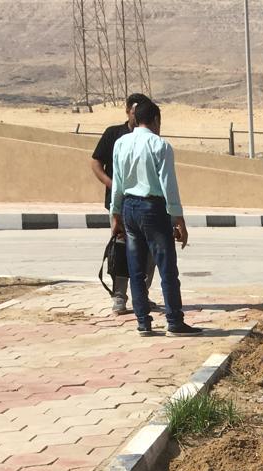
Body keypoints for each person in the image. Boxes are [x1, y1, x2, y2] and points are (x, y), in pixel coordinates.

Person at [110, 99, 202, 337]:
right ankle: (174, 321)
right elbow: (169, 185)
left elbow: (117, 183)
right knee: (166, 267)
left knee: (136, 269)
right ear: (155, 120)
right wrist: (178, 219)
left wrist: (115, 213)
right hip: (153, 208)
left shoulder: (121, 143)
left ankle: (143, 322)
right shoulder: (160, 145)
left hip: (129, 207)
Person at [90, 92, 156, 315]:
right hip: (119, 203)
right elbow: (96, 162)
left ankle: (142, 294)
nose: (136, 115)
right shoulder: (114, 134)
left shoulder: (150, 137)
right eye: (134, 111)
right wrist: (111, 184)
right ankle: (119, 295)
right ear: (127, 111)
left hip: (145, 204)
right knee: (121, 247)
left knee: (149, 250)